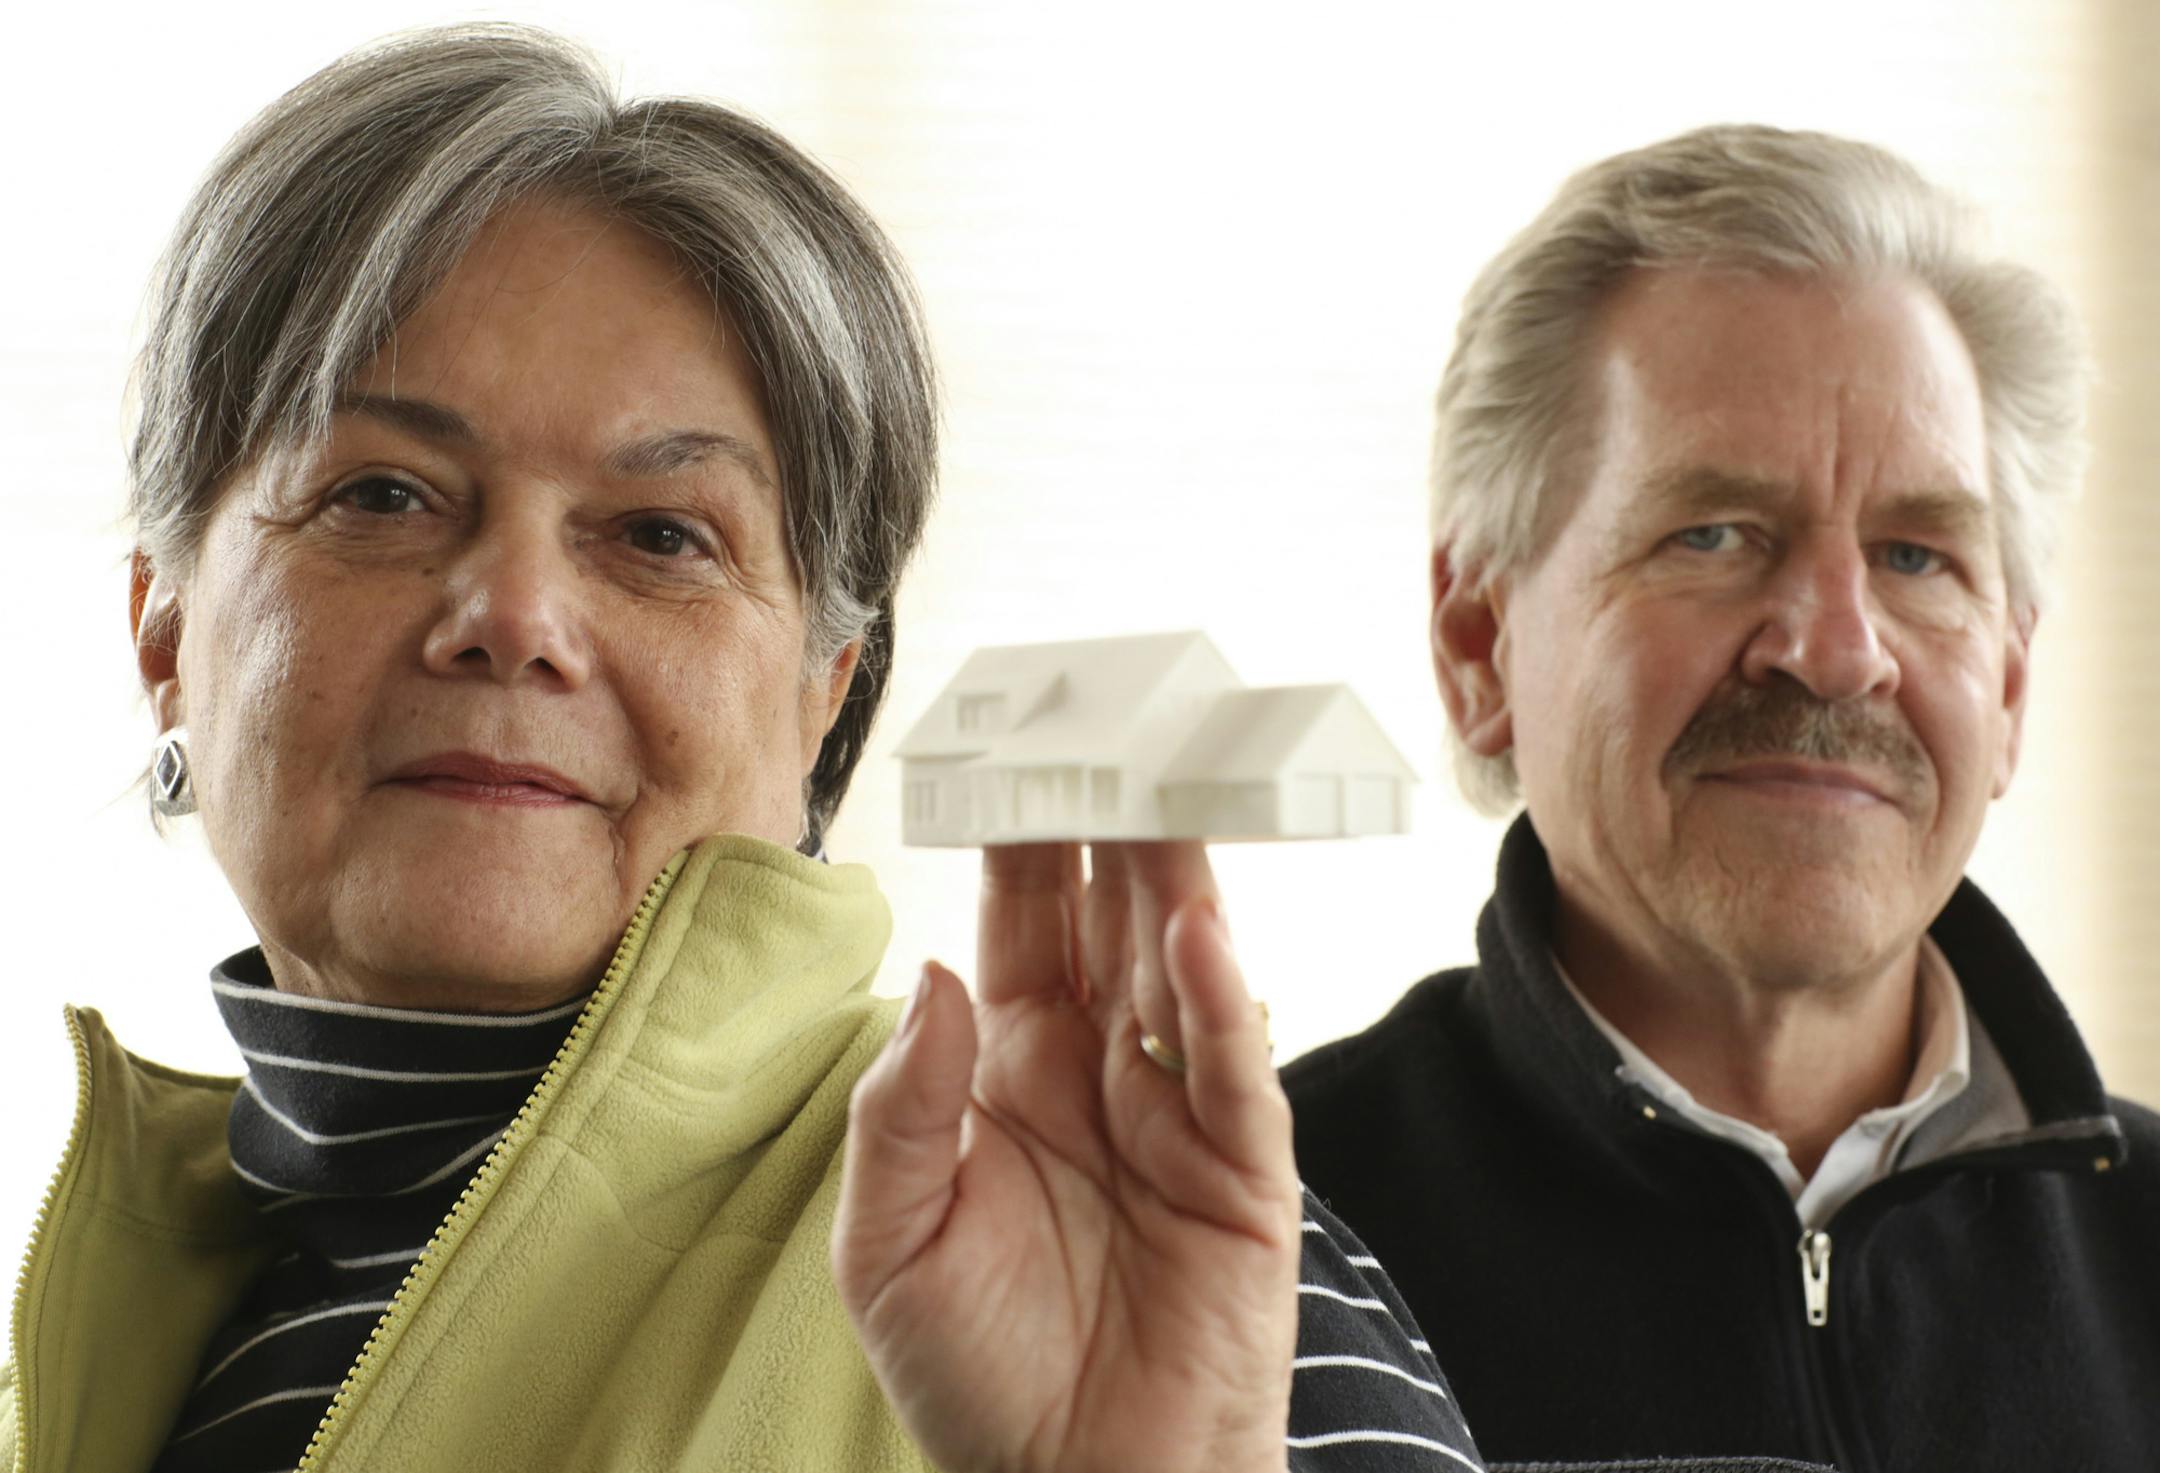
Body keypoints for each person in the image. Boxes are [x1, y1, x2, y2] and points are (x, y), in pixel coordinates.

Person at [0, 24, 1485, 1473]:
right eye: (384, 496)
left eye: (660, 535)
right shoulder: (88, 1353)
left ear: (822, 692)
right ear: (163, 627)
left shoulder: (1096, 1256)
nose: (515, 616)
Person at [1282, 124, 2160, 1471]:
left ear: (2012, 689)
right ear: (1479, 645)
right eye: (1712, 534)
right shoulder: (1256, 1242)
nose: (1835, 646)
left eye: (1918, 554)